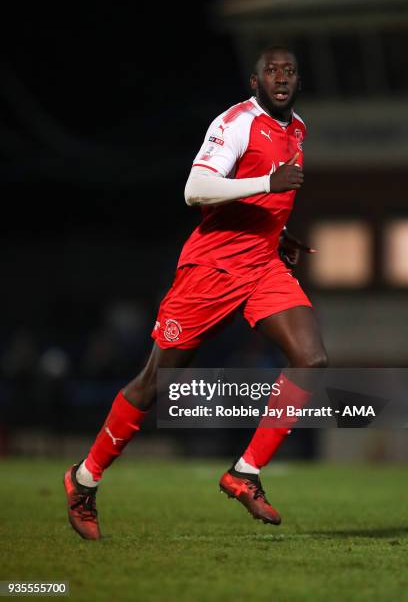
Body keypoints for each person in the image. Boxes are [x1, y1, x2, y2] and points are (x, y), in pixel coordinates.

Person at [64, 46, 328, 540]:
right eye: (271, 71)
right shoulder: (234, 123)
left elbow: (266, 199)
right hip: (212, 269)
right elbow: (196, 188)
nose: (281, 77)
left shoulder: (299, 129)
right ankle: (84, 479)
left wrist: (280, 227)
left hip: (263, 268)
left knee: (310, 358)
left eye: (289, 70)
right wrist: (267, 184)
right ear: (254, 82)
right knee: (154, 382)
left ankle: (244, 473)